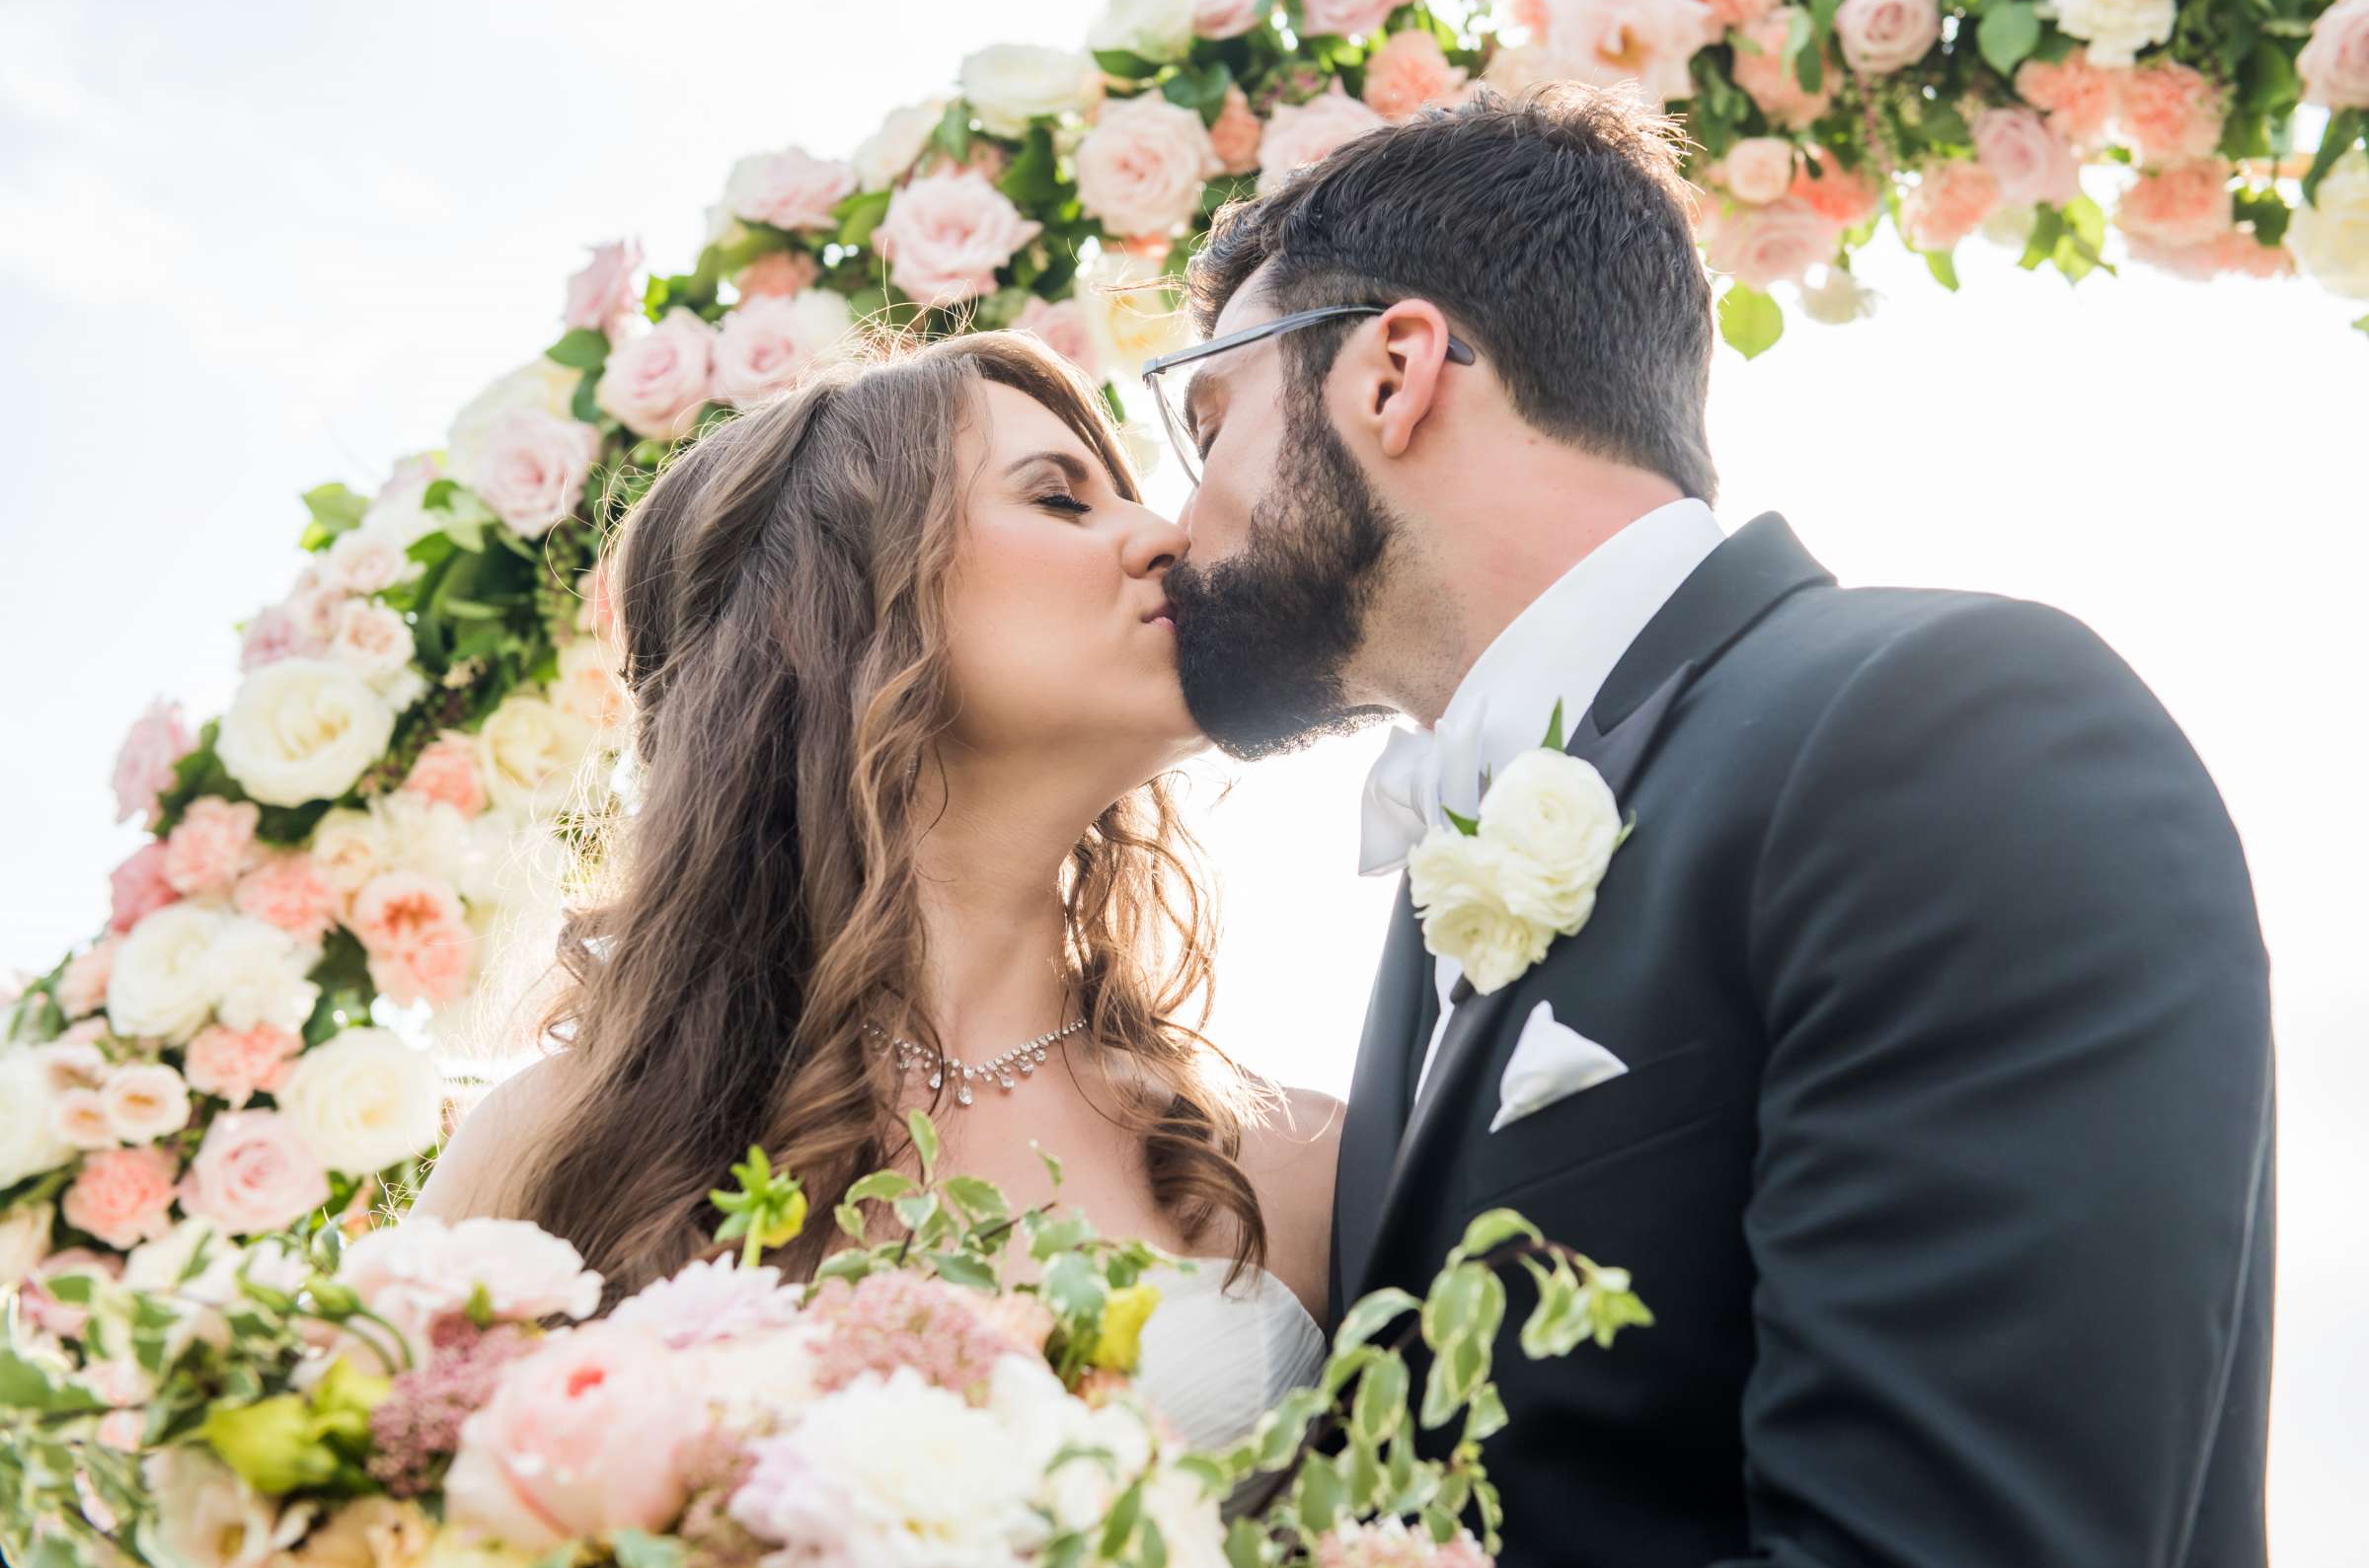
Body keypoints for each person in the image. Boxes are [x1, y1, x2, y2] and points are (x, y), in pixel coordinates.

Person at [1152, 83, 2275, 1568]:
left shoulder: (1943, 726)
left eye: (1209, 418)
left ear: (1394, 373)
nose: (1178, 526)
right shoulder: (1436, 903)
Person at [411, 330, 1336, 1452]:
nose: (1164, 537)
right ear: (842, 604)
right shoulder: (565, 1143)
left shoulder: (1294, 1170)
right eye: (1058, 499)